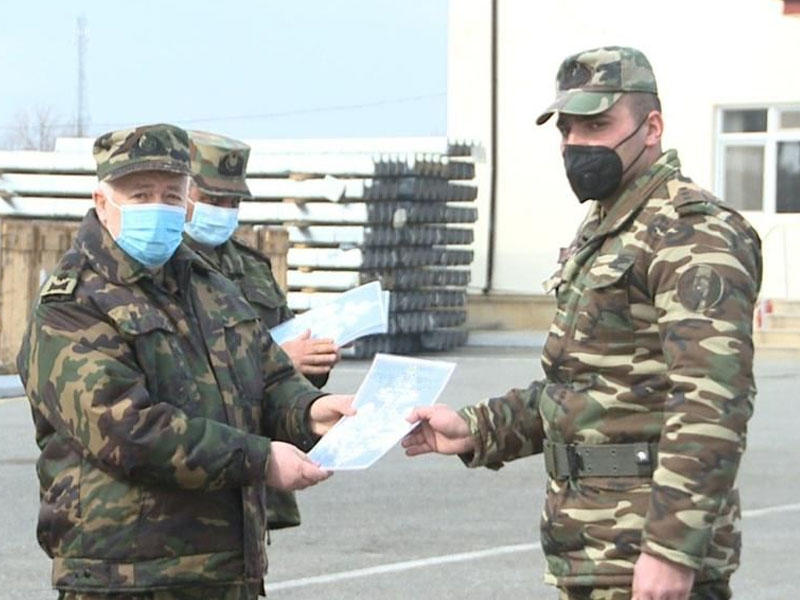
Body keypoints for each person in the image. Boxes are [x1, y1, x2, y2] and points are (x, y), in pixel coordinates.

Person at [403, 47, 762, 600]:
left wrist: (671, 551)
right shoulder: (610, 227)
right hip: (593, 553)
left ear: (651, 128)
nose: (576, 144)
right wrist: (476, 427)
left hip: (646, 560)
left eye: (597, 125)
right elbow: (582, 389)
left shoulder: (691, 232)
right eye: (567, 129)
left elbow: (711, 402)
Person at [17, 123, 354, 600]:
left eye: (171, 196)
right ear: (102, 202)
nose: (158, 207)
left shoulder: (210, 285)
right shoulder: (72, 304)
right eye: (140, 195)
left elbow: (267, 375)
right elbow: (127, 432)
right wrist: (258, 460)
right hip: (127, 578)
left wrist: (309, 410)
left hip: (225, 570)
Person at [183, 130, 340, 531]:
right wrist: (276, 362)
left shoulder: (251, 267)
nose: (223, 211)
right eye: (213, 200)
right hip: (196, 468)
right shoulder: (163, 269)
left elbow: (285, 352)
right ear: (183, 193)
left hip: (260, 463)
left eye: (232, 202)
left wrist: (313, 362)